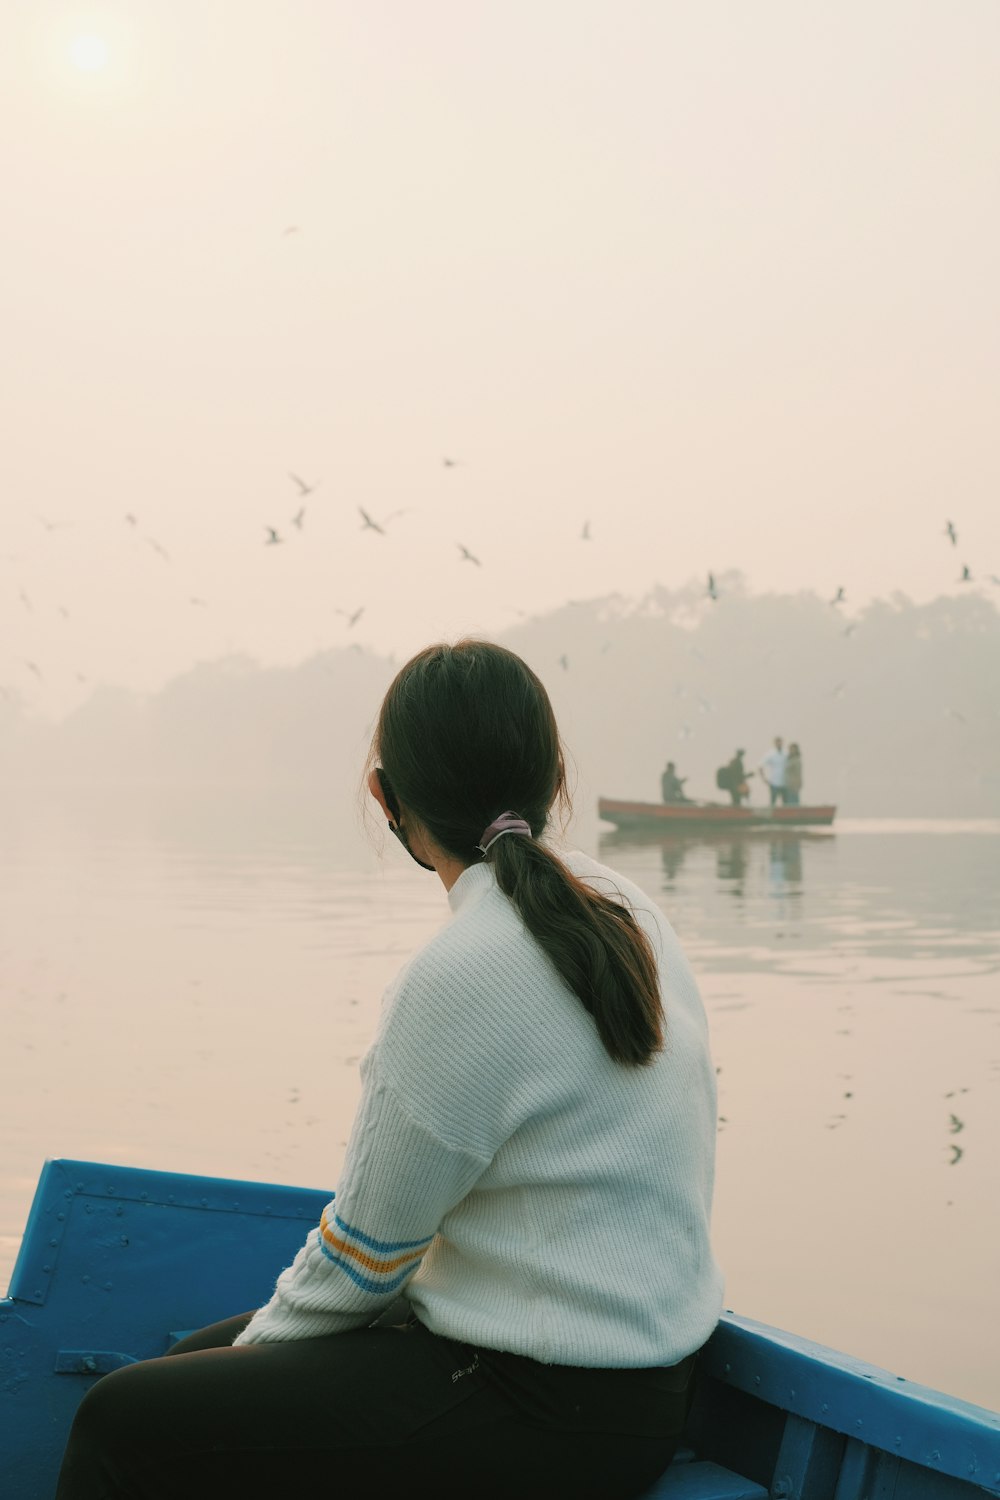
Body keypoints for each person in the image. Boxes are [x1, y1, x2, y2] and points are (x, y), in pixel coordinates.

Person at [56, 640, 724, 1500]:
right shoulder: (631, 914)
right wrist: (230, 1376)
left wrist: (250, 1372)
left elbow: (363, 1260)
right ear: (554, 778)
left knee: (124, 1421)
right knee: (191, 1369)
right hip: (639, 1387)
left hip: (544, 1408)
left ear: (386, 798)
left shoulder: (459, 975)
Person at [758, 736, 788, 807]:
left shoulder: (786, 753)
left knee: (786, 804)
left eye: (780, 742)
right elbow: (760, 765)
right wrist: (764, 778)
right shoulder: (770, 754)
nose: (779, 744)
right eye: (777, 742)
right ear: (775, 743)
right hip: (774, 782)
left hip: (785, 782)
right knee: (773, 803)